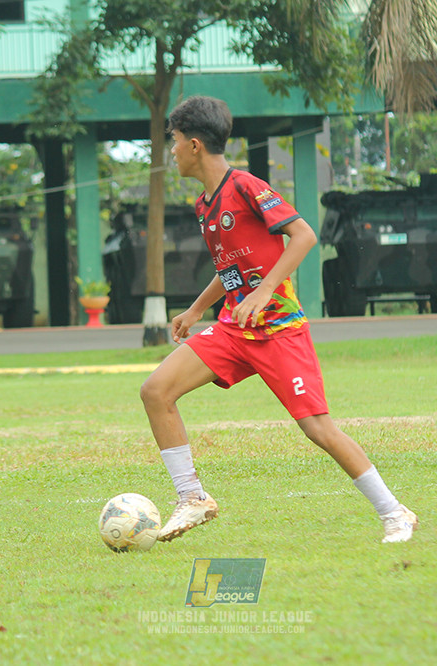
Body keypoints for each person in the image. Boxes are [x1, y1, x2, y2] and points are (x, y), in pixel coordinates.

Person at [139, 95, 417, 544]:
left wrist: (265, 290)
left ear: (193, 145)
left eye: (172, 142)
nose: (170, 152)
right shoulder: (204, 206)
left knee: (317, 429)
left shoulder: (246, 185)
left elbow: (303, 235)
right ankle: (191, 497)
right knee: (155, 391)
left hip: (279, 329)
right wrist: (196, 310)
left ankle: (395, 512)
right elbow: (231, 270)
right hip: (233, 328)